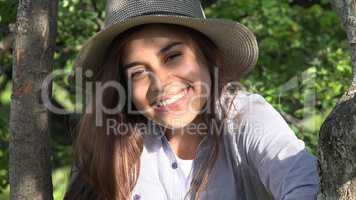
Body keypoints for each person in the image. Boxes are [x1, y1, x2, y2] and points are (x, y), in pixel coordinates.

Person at [64, 0, 320, 199]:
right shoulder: (110, 143)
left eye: (173, 56)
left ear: (206, 55)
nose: (161, 83)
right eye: (138, 72)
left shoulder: (246, 116)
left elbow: (306, 185)